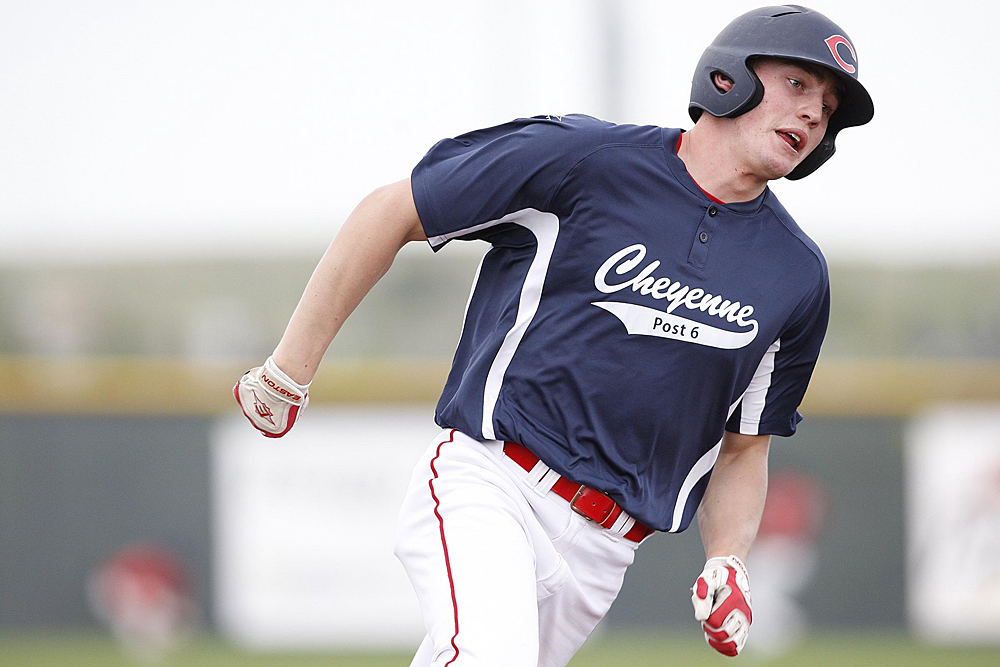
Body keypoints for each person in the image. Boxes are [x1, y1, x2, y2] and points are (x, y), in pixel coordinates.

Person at [234, 5, 873, 665]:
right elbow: (394, 209)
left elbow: (742, 448)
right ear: (727, 77)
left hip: (604, 553)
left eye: (826, 108)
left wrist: (730, 559)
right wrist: (289, 368)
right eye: (799, 84)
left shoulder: (796, 275)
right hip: (493, 485)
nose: (811, 114)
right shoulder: (587, 161)